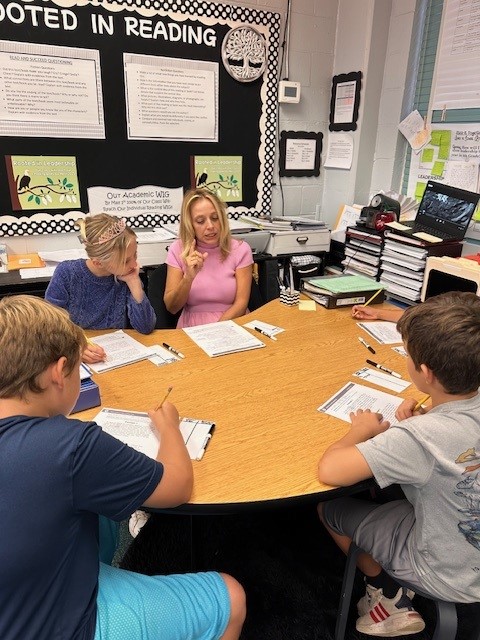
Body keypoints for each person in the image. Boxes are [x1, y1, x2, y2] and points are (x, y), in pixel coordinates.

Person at [0, 295, 246, 640]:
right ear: (58, 373)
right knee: (231, 596)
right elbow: (176, 487)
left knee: (97, 515)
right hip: (52, 626)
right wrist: (170, 428)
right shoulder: (71, 446)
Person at [317, 291, 480, 637]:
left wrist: (359, 432)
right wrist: (427, 416)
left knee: (327, 508)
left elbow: (330, 470)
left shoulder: (418, 437)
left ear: (425, 372)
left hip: (445, 574)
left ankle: (385, 592)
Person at [45, 213, 156, 364]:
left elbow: (146, 327)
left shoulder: (126, 275)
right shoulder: (67, 274)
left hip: (113, 355)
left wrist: (135, 283)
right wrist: (76, 348)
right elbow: (49, 327)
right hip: (77, 358)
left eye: (135, 255)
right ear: (98, 263)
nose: (134, 264)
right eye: (126, 261)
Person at [164, 188, 253, 327]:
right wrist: (188, 277)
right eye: (200, 221)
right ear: (190, 225)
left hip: (233, 323)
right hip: (192, 328)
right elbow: (172, 307)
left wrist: (215, 331)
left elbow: (241, 304)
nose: (210, 226)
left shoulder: (240, 249)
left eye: (215, 218)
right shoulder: (178, 250)